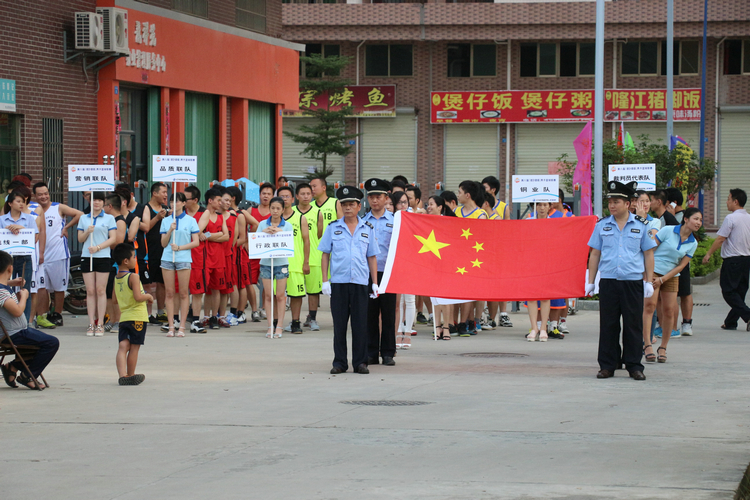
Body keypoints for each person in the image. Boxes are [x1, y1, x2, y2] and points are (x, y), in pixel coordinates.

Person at [586, 181, 655, 381]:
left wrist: (648, 281)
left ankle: (634, 365)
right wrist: (591, 281)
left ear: (628, 204)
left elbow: (648, 254)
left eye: (616, 201)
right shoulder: (602, 225)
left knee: (633, 325)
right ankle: (608, 365)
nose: (612, 205)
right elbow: (595, 254)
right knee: (608, 324)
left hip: (632, 282)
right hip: (609, 281)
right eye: (610, 202)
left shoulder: (641, 226)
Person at [319, 186, 379, 375]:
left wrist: (375, 282)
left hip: (360, 282)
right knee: (339, 325)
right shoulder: (333, 228)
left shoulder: (367, 228)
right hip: (339, 282)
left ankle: (360, 363)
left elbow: (372, 256)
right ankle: (340, 363)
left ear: (359, 206)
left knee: (360, 324)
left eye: (351, 204)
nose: (347, 208)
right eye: (344, 204)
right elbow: (325, 254)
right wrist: (325, 280)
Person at [642, 208, 701, 363]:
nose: (698, 223)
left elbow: (681, 266)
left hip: (671, 276)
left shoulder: (693, 242)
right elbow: (650, 249)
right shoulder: (668, 230)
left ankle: (663, 347)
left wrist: (663, 279)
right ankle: (647, 344)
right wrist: (647, 273)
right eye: (696, 219)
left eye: (700, 220)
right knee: (650, 306)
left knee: (669, 311)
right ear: (686, 219)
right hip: (653, 270)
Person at [0, 250, 59, 389]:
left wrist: (11, 282)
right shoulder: (2, 292)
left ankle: (12, 367)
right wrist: (24, 297)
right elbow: (17, 311)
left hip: (17, 332)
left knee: (40, 342)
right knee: (51, 343)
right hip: (13, 335)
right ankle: (27, 375)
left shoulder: (3, 288)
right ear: (10, 268)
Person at [32, 182, 82, 327]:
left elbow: (79, 214)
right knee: (42, 287)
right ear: (35, 196)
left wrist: (66, 227)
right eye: (40, 194)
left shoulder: (58, 207)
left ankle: (58, 314)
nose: (44, 196)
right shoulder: (33, 210)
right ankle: (44, 315)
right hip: (40, 256)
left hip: (58, 254)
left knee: (59, 287)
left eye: (46, 193)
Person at [703, 189, 750, 331]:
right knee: (740, 291)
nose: (726, 202)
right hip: (746, 260)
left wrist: (708, 254)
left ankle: (748, 315)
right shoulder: (748, 217)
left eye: (728, 199)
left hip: (732, 260)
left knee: (728, 291)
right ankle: (730, 322)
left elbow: (720, 239)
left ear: (735, 201)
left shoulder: (731, 218)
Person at [363, 178, 397, 366]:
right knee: (370, 314)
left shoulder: (395, 221)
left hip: (388, 272)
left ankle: (388, 352)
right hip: (368, 273)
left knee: (388, 313)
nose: (375, 200)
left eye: (378, 197)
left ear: (386, 198)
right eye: (371, 197)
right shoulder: (362, 221)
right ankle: (371, 352)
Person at [160, 192, 200, 337]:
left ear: (183, 203)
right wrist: (170, 229)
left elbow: (196, 241)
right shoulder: (166, 221)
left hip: (183, 258)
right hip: (167, 258)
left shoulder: (191, 220)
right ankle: (171, 325)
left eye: (177, 201)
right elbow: (163, 243)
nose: (173, 204)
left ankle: (182, 326)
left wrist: (180, 248)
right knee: (169, 292)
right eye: (171, 201)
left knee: (183, 293)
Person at [112, 243, 153, 386]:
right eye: (133, 257)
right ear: (126, 261)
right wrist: (148, 296)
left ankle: (122, 375)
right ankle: (131, 374)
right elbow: (138, 297)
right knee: (134, 347)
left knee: (123, 346)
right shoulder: (133, 277)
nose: (135, 260)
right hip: (137, 317)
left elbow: (115, 300)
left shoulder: (116, 278)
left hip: (124, 318)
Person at [77, 191, 117, 336]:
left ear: (104, 203)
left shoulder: (109, 218)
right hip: (87, 256)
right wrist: (88, 231)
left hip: (103, 257)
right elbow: (80, 239)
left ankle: (100, 323)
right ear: (90, 201)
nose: (97, 203)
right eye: (94, 200)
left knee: (101, 290)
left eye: (100, 200)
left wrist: (98, 247)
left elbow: (113, 238)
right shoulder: (83, 218)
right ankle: (90, 323)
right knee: (90, 291)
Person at [0, 190, 39, 322]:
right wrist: (7, 231)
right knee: (5, 286)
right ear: (10, 203)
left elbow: (35, 237)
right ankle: (7, 322)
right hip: (6, 259)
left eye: (23, 201)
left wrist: (21, 228)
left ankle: (26, 322)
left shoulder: (29, 218)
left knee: (24, 289)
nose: (21, 204)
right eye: (18, 201)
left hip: (25, 258)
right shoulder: (2, 220)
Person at [256, 196, 292, 339]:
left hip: (281, 263)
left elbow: (290, 242)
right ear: (269, 209)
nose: (275, 211)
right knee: (268, 295)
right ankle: (270, 325)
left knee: (280, 296)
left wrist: (280, 233)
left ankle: (280, 326)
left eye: (278, 208)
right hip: (266, 263)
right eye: (273, 208)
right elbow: (255, 240)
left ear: (283, 209)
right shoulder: (262, 224)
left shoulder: (287, 225)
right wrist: (264, 232)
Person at [278, 185, 309, 334]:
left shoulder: (300, 217)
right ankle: (276, 323)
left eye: (287, 196)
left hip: (295, 263)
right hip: (277, 263)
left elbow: (306, 241)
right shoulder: (271, 219)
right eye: (281, 196)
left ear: (292, 198)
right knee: (276, 295)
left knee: (296, 295)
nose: (284, 199)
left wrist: (306, 261)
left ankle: (296, 322)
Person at [227, 186, 259, 325]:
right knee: (235, 283)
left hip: (239, 253)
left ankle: (241, 312)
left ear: (233, 198)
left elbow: (256, 224)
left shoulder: (241, 213)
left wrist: (247, 240)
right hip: (230, 252)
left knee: (243, 284)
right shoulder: (225, 213)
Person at [293, 183, 322, 331]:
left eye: (308, 194)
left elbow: (319, 234)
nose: (306, 196)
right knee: (295, 292)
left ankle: (312, 318)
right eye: (302, 194)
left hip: (314, 258)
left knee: (313, 291)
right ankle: (294, 320)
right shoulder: (291, 212)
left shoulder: (318, 212)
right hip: (296, 259)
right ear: (297, 196)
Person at [200, 188, 229, 329]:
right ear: (210, 201)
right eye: (218, 200)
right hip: (206, 257)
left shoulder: (221, 217)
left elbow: (226, 236)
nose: (220, 203)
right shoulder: (205, 214)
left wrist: (210, 235)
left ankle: (214, 316)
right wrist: (216, 234)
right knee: (207, 289)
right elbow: (199, 233)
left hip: (218, 257)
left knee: (217, 288)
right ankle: (206, 316)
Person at [524, 201, 553, 342]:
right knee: (531, 296)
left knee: (545, 296)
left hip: (547, 262)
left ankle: (543, 328)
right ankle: (534, 327)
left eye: (545, 204)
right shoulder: (528, 221)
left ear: (549, 206)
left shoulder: (555, 223)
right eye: (539, 204)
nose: (542, 207)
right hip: (531, 262)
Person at [391, 191, 415, 345]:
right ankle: (398, 330)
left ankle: (408, 332)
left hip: (412, 261)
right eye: (399, 202)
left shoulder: (414, 219)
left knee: (410, 299)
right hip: (395, 261)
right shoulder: (390, 219)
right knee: (397, 301)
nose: (402, 205)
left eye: (405, 202)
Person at [183, 185, 208, 333]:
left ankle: (196, 320)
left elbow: (194, 231)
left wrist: (196, 234)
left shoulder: (203, 213)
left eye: (185, 199)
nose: (182, 202)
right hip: (181, 255)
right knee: (181, 290)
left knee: (197, 291)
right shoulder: (179, 213)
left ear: (195, 200)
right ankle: (177, 319)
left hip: (198, 256)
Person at [103, 194, 128, 333]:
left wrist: (102, 240)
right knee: (108, 293)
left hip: (116, 262)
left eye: (105, 205)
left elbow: (118, 242)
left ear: (110, 206)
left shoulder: (119, 221)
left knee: (115, 294)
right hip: (108, 260)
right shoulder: (110, 220)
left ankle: (118, 320)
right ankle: (111, 319)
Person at [144, 182, 169, 324]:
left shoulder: (166, 209)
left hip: (163, 249)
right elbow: (147, 227)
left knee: (162, 282)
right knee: (147, 282)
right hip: (149, 249)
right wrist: (158, 218)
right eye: (163, 192)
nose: (166, 195)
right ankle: (147, 313)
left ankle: (160, 311)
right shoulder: (146, 208)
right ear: (154, 193)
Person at [250, 182, 275, 322]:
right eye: (263, 193)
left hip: (269, 252)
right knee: (249, 281)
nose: (266, 196)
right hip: (253, 252)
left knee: (267, 281)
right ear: (259, 195)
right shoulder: (250, 210)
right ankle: (254, 309)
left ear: (273, 196)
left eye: (269, 194)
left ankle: (265, 308)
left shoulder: (275, 212)